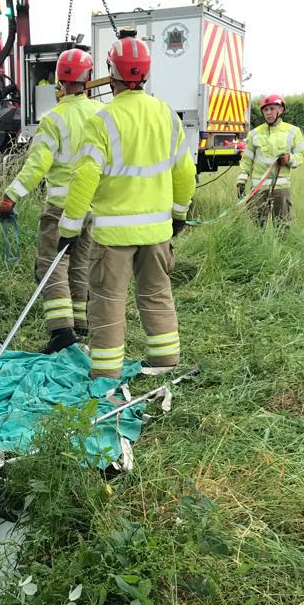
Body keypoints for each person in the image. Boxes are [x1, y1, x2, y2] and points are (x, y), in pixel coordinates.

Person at [57, 36, 196, 380]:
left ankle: (105, 374)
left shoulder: (102, 121)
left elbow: (84, 179)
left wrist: (68, 230)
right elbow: (185, 171)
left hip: (113, 235)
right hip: (157, 232)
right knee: (157, 293)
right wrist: (179, 214)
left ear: (111, 73)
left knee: (107, 301)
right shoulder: (166, 115)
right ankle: (165, 361)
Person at [0, 49, 104, 354]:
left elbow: (37, 165)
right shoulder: (100, 113)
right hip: (93, 207)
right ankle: (81, 325)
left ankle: (61, 333)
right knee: (80, 263)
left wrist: (11, 195)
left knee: (51, 264)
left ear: (59, 78)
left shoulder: (53, 118)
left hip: (61, 206)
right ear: (88, 78)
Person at [237, 95, 304, 226]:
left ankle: (281, 247)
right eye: (265, 110)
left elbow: (302, 155)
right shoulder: (254, 133)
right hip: (258, 190)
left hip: (281, 189)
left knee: (282, 227)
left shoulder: (293, 131)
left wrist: (290, 159)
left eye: (271, 109)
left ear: (280, 110)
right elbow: (246, 160)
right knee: (256, 228)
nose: (268, 113)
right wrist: (241, 181)